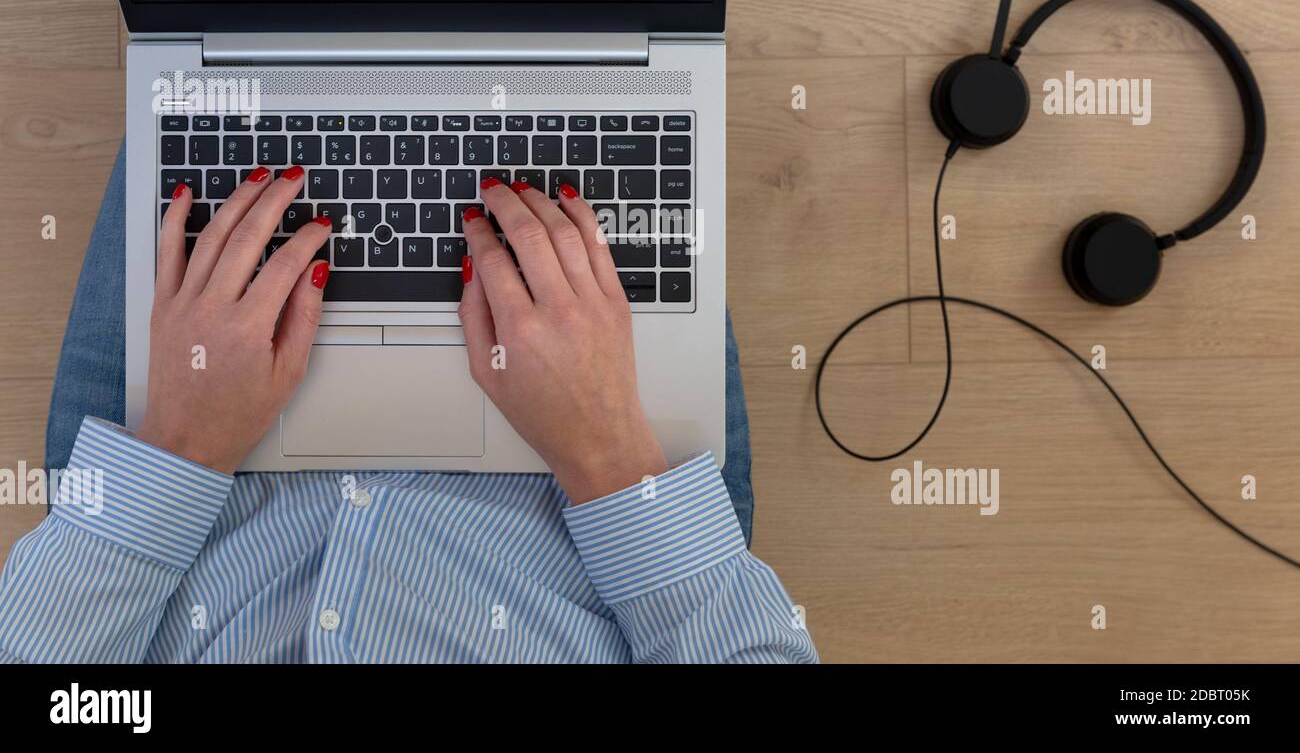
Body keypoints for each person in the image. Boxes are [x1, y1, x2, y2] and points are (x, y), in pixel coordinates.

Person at [0, 146, 817, 663]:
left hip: (182, 471)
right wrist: (608, 455)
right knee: (590, 30)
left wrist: (181, 445)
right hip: (598, 478)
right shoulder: (606, 454)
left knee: (232, 34)